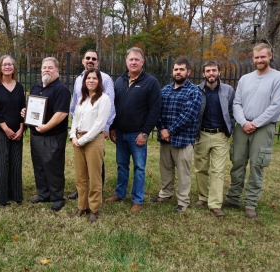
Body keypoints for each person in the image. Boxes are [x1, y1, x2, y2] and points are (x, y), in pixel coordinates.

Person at [224, 43, 280, 219]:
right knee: (237, 161)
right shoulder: (245, 79)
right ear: (253, 58)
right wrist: (244, 122)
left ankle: (250, 203)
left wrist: (256, 123)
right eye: (256, 57)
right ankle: (233, 197)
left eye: (263, 57)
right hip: (242, 127)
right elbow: (236, 103)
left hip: (263, 127)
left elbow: (276, 106)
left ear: (270, 56)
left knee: (257, 165)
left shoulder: (279, 78)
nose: (259, 60)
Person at [105, 47, 162, 213]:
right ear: (126, 62)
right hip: (120, 133)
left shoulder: (151, 82)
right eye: (131, 59)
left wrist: (145, 132)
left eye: (137, 59)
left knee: (139, 167)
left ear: (142, 62)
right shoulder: (120, 81)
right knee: (122, 165)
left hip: (137, 134)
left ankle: (137, 199)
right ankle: (120, 194)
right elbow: (114, 106)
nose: (134, 62)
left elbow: (154, 110)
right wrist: (113, 127)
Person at [152, 58, 202, 213]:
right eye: (175, 69)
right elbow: (157, 111)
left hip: (183, 139)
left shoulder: (194, 91)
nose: (178, 72)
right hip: (165, 138)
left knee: (183, 171)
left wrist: (170, 130)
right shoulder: (165, 90)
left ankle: (183, 201)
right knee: (165, 168)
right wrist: (162, 129)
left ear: (188, 72)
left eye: (181, 69)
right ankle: (165, 194)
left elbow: (189, 115)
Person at [67, 49, 115, 200]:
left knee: (96, 165)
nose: (90, 60)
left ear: (98, 62)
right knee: (82, 167)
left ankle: (96, 192)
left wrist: (106, 127)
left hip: (97, 131)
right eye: (87, 58)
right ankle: (82, 192)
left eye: (93, 58)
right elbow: (75, 105)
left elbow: (110, 104)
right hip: (80, 129)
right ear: (83, 61)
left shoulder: (105, 79)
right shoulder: (78, 79)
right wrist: (74, 132)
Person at [25, 57, 71, 212]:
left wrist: (46, 127)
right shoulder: (37, 86)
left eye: (50, 68)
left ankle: (57, 198)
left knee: (53, 166)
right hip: (36, 134)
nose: (46, 70)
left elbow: (62, 113)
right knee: (39, 165)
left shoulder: (60, 89)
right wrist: (26, 112)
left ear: (57, 70)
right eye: (44, 67)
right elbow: (32, 107)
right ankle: (43, 194)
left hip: (53, 135)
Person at [70, 68, 111, 223]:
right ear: (84, 81)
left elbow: (99, 124)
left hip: (93, 140)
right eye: (88, 78)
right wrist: (73, 135)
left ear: (99, 81)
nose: (91, 81)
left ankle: (94, 209)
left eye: (94, 78)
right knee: (80, 177)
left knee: (94, 177)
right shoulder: (82, 98)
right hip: (78, 139)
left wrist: (82, 140)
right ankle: (82, 206)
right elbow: (74, 119)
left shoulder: (104, 99)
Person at [194, 60, 235, 217]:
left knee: (217, 170)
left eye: (214, 70)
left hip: (220, 135)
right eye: (208, 71)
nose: (211, 73)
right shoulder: (197, 90)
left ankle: (215, 204)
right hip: (201, 134)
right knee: (201, 168)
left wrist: (229, 128)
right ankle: (203, 197)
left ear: (219, 72)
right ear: (203, 74)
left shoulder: (228, 90)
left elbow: (233, 110)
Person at [0, 55, 25, 206]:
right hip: (0, 130)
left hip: (17, 131)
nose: (8, 67)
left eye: (10, 64)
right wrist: (6, 129)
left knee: (16, 162)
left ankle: (16, 195)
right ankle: (2, 198)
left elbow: (24, 109)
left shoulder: (19, 86)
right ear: (0, 67)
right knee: (2, 163)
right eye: (5, 65)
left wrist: (21, 129)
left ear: (14, 67)